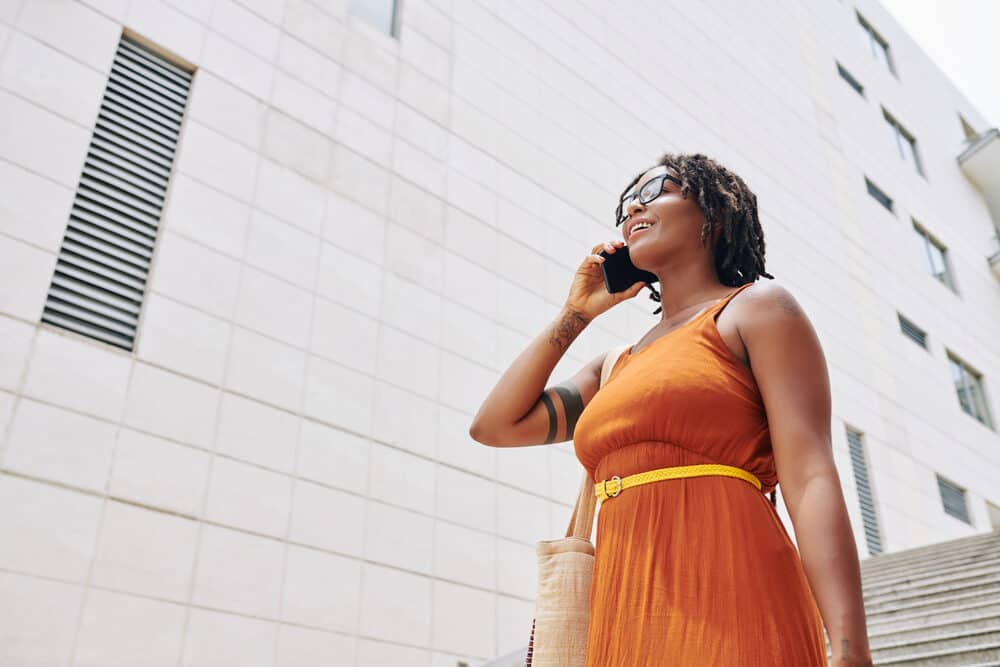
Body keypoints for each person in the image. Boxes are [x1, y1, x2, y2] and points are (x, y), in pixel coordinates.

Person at [469, 153, 873, 666]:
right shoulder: (614, 367)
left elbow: (810, 474)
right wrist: (576, 315)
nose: (634, 204)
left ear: (715, 213)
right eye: (625, 201)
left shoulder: (758, 309)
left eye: (657, 187)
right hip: (625, 609)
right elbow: (494, 426)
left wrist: (851, 646)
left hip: (735, 592)